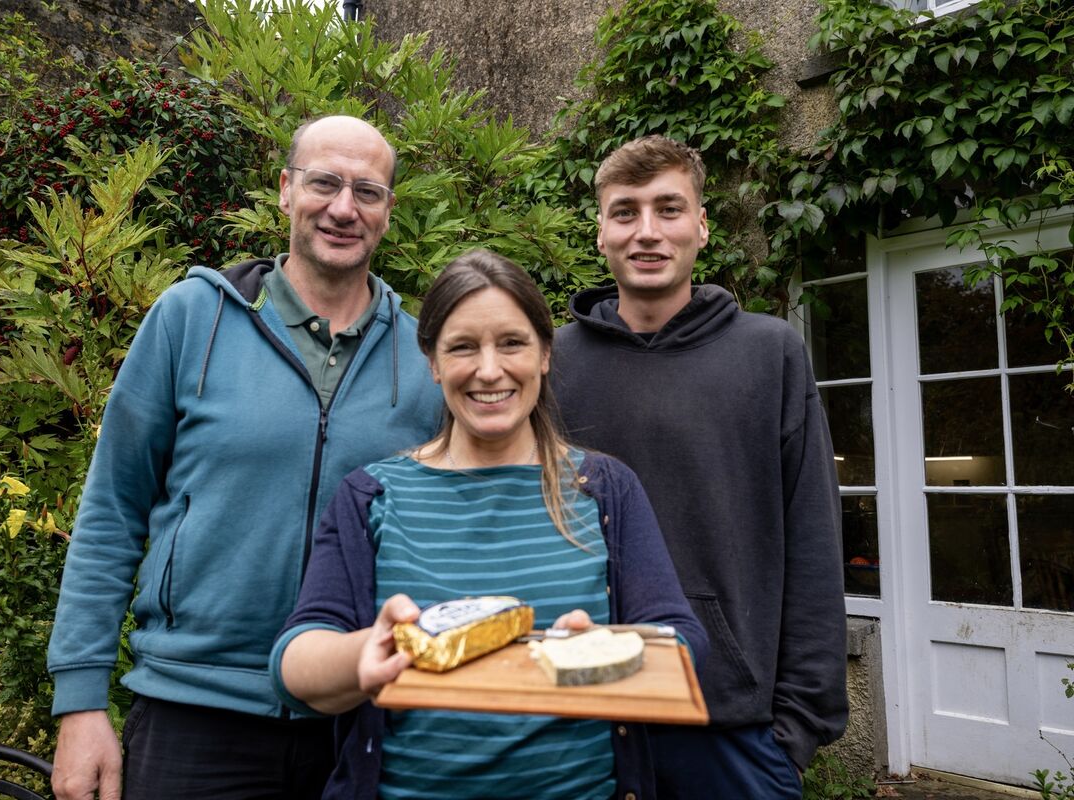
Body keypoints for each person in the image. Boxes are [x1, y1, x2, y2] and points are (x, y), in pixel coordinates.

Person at [46, 115, 442, 800]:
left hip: (359, 724)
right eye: (325, 183)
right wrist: (80, 702)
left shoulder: (426, 358)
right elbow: (112, 508)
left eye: (367, 191)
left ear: (388, 211)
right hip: (192, 715)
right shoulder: (190, 320)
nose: (343, 208)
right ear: (286, 191)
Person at [270, 248, 708, 800]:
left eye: (512, 343)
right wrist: (368, 651)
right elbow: (292, 664)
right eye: (462, 347)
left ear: (545, 353)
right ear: (432, 361)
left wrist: (614, 650)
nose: (489, 369)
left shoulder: (603, 489)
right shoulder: (373, 495)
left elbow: (684, 640)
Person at [551, 136, 848, 798]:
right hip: (582, 723)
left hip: (732, 734)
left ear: (702, 226)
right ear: (600, 232)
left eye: (669, 208)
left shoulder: (770, 355)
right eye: (625, 212)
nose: (647, 231)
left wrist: (796, 732)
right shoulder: (551, 364)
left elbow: (814, 543)